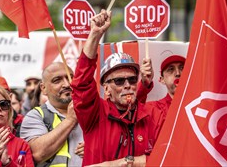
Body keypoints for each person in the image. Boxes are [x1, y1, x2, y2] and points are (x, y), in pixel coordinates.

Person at [71, 9, 164, 166]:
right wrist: (94, 34)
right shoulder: (95, 114)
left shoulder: (153, 115)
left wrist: (122, 163)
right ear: (106, 89)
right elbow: (82, 83)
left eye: (132, 79)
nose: (127, 85)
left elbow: (167, 156)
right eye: (119, 81)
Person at [20, 62, 83, 167]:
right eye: (57, 80)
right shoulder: (35, 116)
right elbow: (38, 153)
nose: (67, 84)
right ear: (43, 88)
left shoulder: (93, 110)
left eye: (70, 77)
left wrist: (94, 148)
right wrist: (70, 120)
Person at [138, 51, 186, 119]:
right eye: (171, 69)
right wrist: (144, 84)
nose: (178, 73)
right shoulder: (154, 109)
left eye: (182, 68)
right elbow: (133, 112)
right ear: (162, 79)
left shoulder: (201, 105)